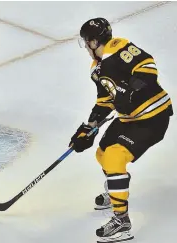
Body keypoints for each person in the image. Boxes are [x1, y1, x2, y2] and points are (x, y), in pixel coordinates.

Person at [69, 17, 173, 242]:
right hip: (129, 118)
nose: (86, 47)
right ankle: (117, 191)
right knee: (102, 153)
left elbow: (147, 67)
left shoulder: (120, 47)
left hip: (152, 118)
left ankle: (122, 221)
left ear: (94, 42)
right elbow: (106, 100)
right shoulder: (96, 68)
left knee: (115, 156)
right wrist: (89, 127)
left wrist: (131, 91)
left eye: (86, 42)